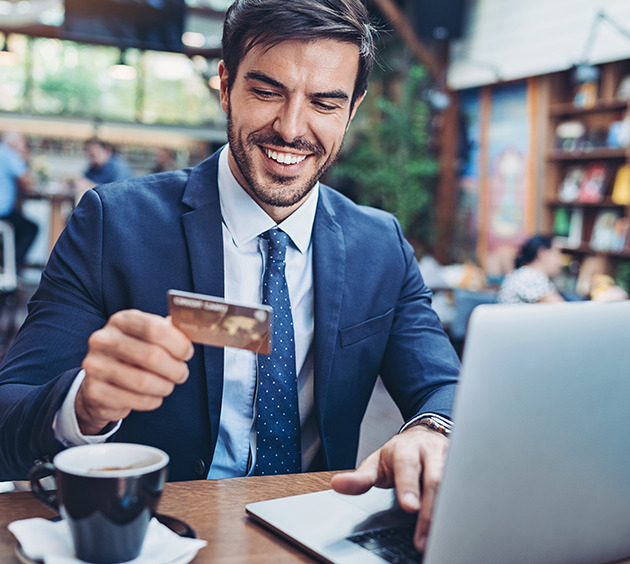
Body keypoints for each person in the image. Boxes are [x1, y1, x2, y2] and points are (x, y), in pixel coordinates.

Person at [0, 0, 460, 552]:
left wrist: (433, 432)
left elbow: (445, 386)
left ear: (353, 108)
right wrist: (84, 404)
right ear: (225, 84)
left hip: (316, 536)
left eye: (324, 102)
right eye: (267, 92)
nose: (291, 129)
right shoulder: (112, 224)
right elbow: (8, 420)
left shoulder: (381, 244)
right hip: (164, 537)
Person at [498, 234, 627, 303]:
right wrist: (601, 301)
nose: (561, 260)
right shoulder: (530, 277)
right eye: (558, 253)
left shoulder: (524, 274)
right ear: (543, 254)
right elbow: (567, 316)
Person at [0, 131, 39, 267]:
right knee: (31, 228)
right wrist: (24, 159)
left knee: (18, 224)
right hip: (2, 214)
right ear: (16, 144)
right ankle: (14, 269)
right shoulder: (9, 155)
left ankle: (5, 265)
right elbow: (28, 184)